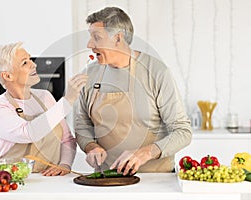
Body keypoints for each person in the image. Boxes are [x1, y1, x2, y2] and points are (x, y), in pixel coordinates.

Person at [75, 7, 192, 175]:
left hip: (156, 179)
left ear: (118, 38)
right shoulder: (89, 73)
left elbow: (183, 131)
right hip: (107, 179)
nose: (89, 44)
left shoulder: (156, 72)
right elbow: (82, 124)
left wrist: (146, 153)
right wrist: (90, 146)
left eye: (96, 37)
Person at [0, 42, 87, 176]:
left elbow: (67, 139)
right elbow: (30, 133)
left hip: (51, 180)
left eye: (30, 59)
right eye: (25, 63)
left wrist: (65, 165)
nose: (34, 64)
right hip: (16, 183)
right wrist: (67, 101)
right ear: (8, 76)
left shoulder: (45, 96)